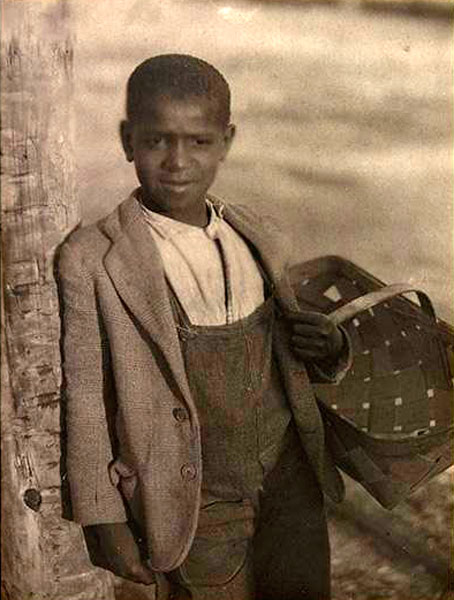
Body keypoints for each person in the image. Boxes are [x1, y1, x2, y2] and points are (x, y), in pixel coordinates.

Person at [59, 54, 351, 600]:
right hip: (193, 500)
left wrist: (330, 348)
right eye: (156, 141)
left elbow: (289, 358)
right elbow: (86, 399)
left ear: (226, 141)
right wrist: (104, 519)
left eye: (199, 141)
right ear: (127, 140)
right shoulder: (92, 259)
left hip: (289, 478)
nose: (177, 161)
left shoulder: (258, 236)